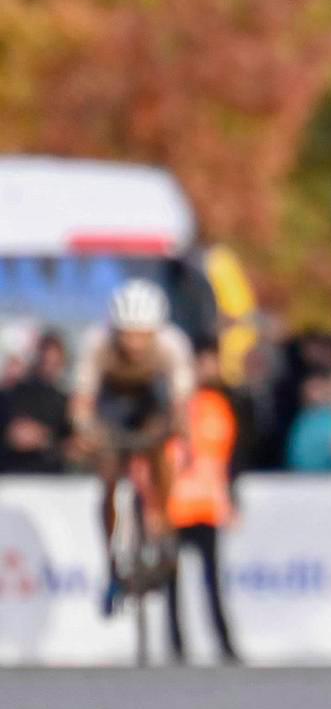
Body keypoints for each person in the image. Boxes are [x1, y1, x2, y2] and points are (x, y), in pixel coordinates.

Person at [69, 278, 196, 615]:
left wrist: (183, 437)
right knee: (108, 473)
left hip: (151, 403)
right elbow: (81, 402)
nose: (135, 344)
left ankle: (162, 521)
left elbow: (181, 405)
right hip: (112, 405)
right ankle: (112, 555)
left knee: (161, 445)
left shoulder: (173, 345)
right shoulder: (96, 343)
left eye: (142, 335)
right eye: (127, 334)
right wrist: (86, 431)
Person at [165, 345, 239, 664]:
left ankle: (224, 644)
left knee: (212, 581)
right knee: (172, 583)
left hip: (207, 506)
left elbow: (225, 458)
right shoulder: (170, 407)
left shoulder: (217, 405)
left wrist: (230, 500)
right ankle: (176, 646)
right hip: (173, 506)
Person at [3, 331, 71, 474]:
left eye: (55, 363)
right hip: (13, 477)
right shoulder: (13, 394)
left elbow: (68, 443)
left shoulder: (64, 400)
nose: (50, 367)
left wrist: (44, 438)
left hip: (51, 480)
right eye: (46, 361)